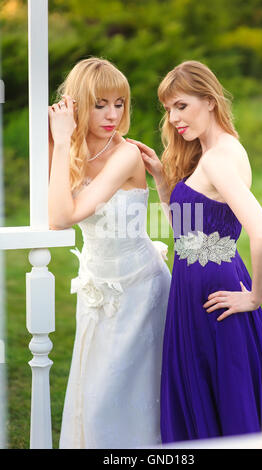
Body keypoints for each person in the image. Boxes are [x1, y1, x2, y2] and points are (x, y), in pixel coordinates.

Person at [127, 60, 262, 443]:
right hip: (194, 292)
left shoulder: (220, 158)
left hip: (216, 298)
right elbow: (187, 233)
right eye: (168, 109)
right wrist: (162, 179)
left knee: (225, 401)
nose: (173, 118)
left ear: (209, 101)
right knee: (207, 398)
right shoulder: (213, 151)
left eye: (181, 106)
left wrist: (255, 297)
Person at [48, 57, 171, 449]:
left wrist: (63, 141)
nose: (113, 115)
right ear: (78, 104)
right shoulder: (71, 147)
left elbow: (63, 217)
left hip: (140, 291)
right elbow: (52, 211)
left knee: (121, 399)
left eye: (119, 103)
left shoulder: (127, 155)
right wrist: (59, 139)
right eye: (100, 104)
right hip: (98, 291)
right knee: (96, 396)